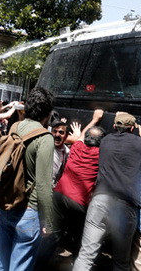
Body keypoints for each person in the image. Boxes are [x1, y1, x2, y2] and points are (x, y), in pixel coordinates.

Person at [0, 87, 55, 271]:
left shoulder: (15, 127)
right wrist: (48, 221)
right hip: (29, 211)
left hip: (8, 203)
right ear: (48, 113)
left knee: (0, 259)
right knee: (20, 266)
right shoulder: (45, 138)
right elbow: (43, 185)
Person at [34, 109, 106, 270]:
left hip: (58, 196)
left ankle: (37, 265)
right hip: (79, 203)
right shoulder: (100, 154)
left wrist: (94, 119)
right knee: (80, 236)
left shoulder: (76, 147)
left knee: (53, 234)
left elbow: (80, 137)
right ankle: (76, 263)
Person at [73, 113, 141, 271]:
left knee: (86, 255)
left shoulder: (105, 141)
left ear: (115, 126)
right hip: (125, 207)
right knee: (120, 262)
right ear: (132, 128)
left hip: (100, 201)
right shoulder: (139, 144)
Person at [50, 119, 70, 187]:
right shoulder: (46, 147)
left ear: (66, 135)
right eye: (55, 131)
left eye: (61, 132)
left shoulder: (66, 151)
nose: (57, 135)